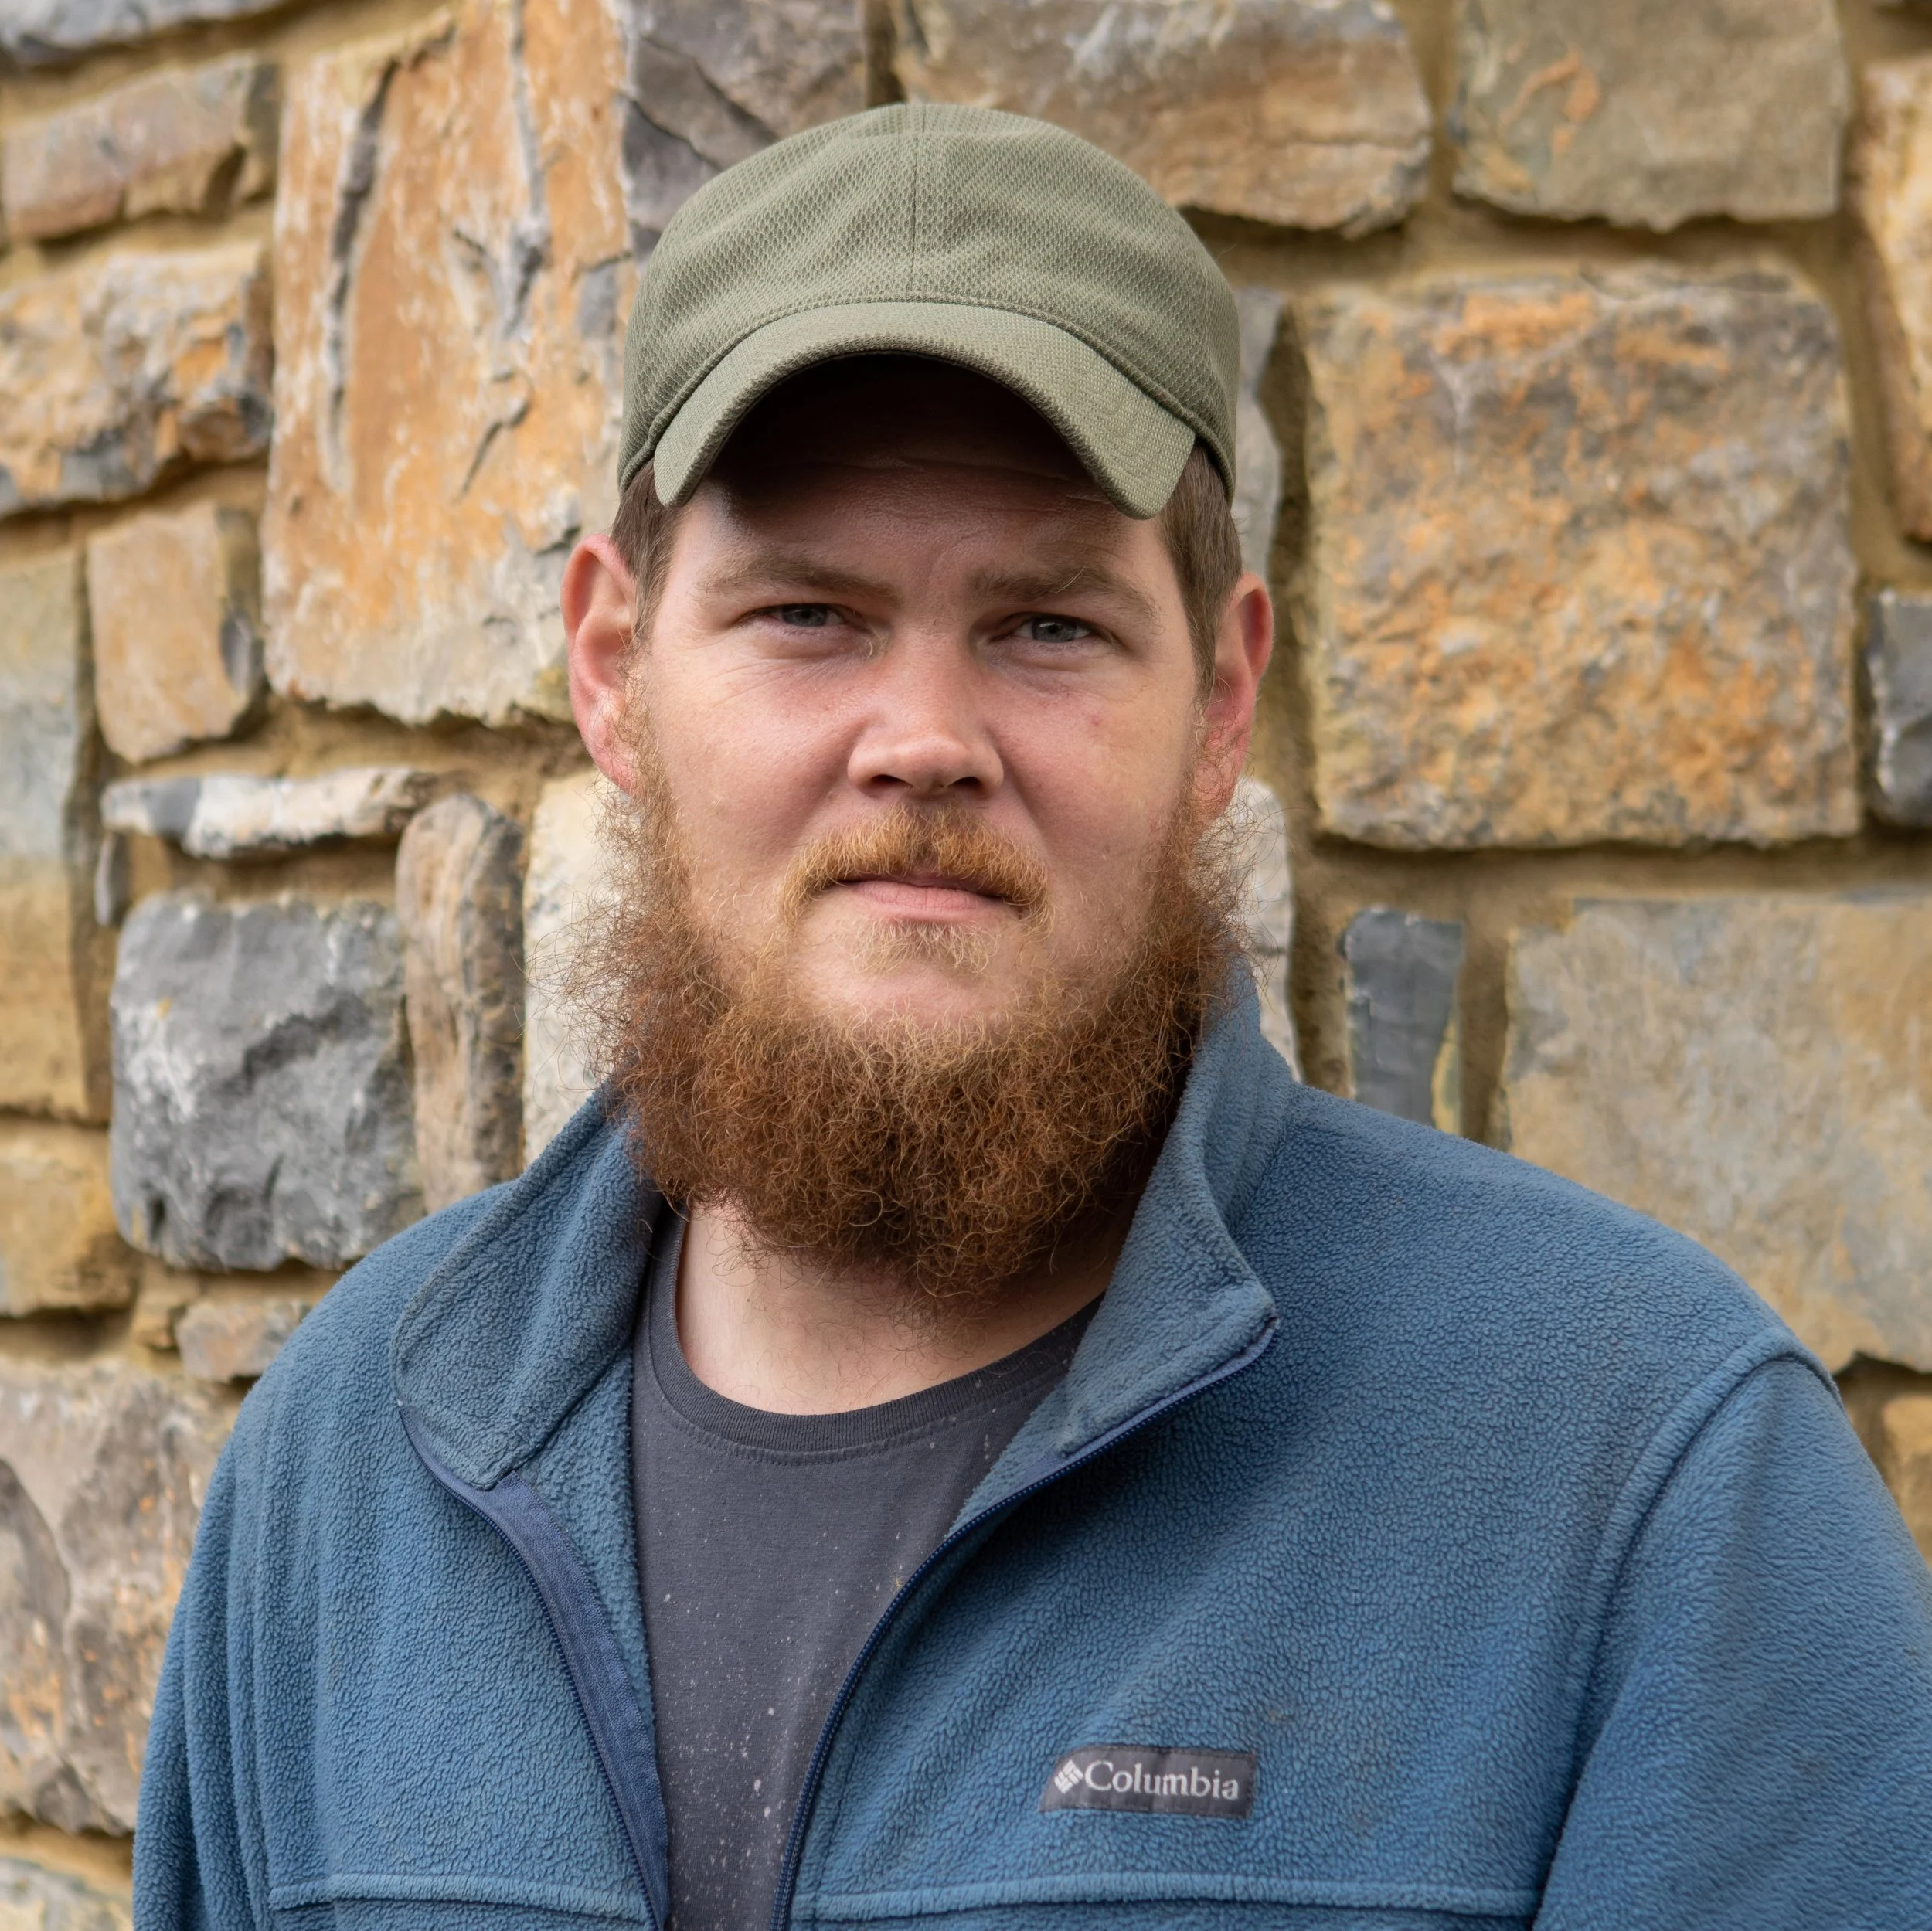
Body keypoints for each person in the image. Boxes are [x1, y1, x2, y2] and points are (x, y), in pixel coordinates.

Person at [135, 104, 1932, 1931]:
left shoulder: (1645, 1490)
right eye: (808, 612)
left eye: (1047, 627)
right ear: (612, 671)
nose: (923, 736)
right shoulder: (349, 1465)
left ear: (1222, 696)